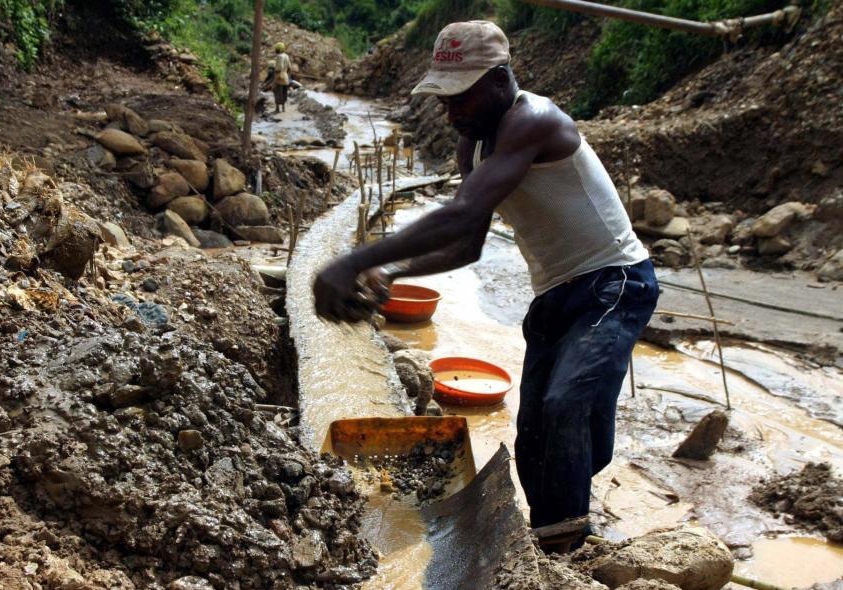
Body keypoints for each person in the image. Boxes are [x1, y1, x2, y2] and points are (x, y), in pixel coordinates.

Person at [312, 20, 659, 552]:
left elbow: (463, 210)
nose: (449, 112)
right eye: (443, 99)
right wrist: (391, 272)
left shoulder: (534, 120)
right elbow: (466, 245)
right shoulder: (473, 148)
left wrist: (353, 259)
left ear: (499, 81)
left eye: (460, 98)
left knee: (569, 401)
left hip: (613, 282)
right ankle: (548, 535)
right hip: (555, 293)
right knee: (534, 433)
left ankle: (563, 544)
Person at [271, 42, 291, 113]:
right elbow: (289, 67)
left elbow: (279, 68)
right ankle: (283, 108)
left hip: (279, 76)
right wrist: (286, 73)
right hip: (285, 77)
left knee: (276, 91)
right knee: (284, 92)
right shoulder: (287, 56)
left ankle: (277, 109)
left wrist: (276, 74)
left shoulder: (279, 56)